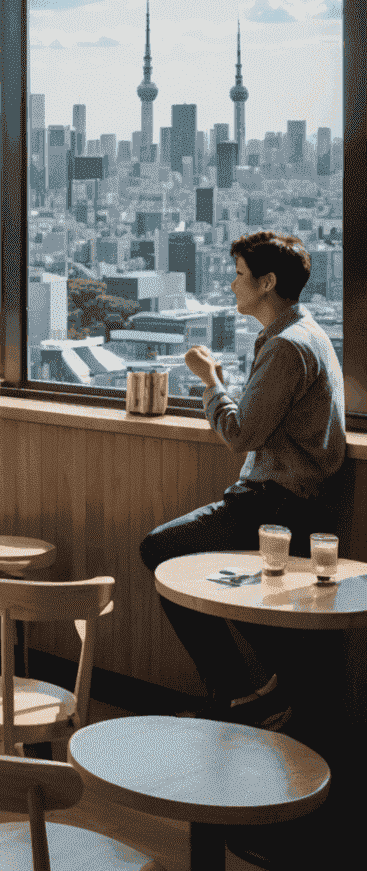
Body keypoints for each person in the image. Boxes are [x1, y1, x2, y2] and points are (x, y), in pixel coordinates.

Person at [140, 231, 347, 729]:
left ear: (267, 282)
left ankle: (242, 690)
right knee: (225, 587)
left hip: (273, 504)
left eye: (237, 274)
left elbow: (241, 433)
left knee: (159, 550)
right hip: (290, 502)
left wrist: (211, 380)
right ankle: (261, 692)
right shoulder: (306, 335)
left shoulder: (287, 346)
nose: (231, 284)